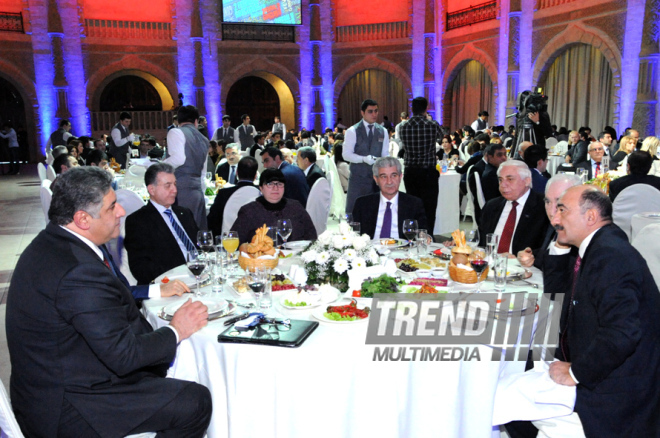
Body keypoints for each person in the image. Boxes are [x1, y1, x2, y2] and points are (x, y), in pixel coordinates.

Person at [6, 166, 212, 437]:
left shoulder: (56, 242)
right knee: (195, 401)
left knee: (172, 372)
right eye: (112, 207)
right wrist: (176, 330)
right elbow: (124, 356)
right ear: (82, 219)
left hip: (58, 375)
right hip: (69, 403)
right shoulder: (77, 272)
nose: (122, 212)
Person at [544, 186, 660, 437]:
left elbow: (622, 333)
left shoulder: (610, 257)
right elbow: (555, 298)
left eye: (562, 210)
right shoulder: (598, 245)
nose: (554, 219)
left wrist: (576, 373)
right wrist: (561, 245)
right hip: (593, 361)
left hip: (620, 392)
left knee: (512, 410)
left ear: (590, 217)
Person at [125, 163, 200, 284]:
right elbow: (140, 268)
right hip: (171, 282)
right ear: (151, 189)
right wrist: (179, 274)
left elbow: (200, 246)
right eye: (167, 186)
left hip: (200, 275)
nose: (174, 190)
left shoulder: (184, 213)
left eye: (175, 184)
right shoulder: (138, 221)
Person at [478, 160, 549, 255]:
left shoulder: (544, 207)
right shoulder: (491, 206)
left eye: (510, 179)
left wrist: (523, 258)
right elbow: (481, 241)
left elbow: (547, 249)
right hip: (490, 263)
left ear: (527, 181)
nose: (503, 185)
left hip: (524, 267)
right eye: (500, 180)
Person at [230, 169, 317, 244]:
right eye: (270, 184)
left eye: (279, 184)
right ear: (261, 188)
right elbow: (234, 242)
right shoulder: (249, 211)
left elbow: (312, 236)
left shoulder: (296, 207)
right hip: (263, 261)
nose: (275, 188)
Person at [516, 173, 581, 270]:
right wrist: (530, 255)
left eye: (559, 203)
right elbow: (548, 253)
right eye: (548, 202)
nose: (551, 211)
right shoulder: (554, 226)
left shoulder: (582, 236)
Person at [352, 157, 427, 239]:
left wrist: (425, 237)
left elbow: (424, 232)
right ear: (376, 179)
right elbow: (353, 235)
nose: (389, 182)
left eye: (394, 175)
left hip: (404, 250)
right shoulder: (363, 204)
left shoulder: (414, 204)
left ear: (400, 177)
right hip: (371, 250)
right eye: (384, 176)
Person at [399, 96, 442, 229]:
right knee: (429, 207)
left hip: (410, 172)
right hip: (428, 172)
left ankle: (412, 234)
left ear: (411, 109)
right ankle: (428, 236)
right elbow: (441, 137)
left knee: (412, 205)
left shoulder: (403, 127)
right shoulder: (433, 125)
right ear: (426, 108)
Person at [164, 105, 209, 229]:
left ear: (178, 121)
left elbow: (179, 159)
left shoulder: (176, 131)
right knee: (197, 232)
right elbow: (203, 172)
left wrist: (159, 166)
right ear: (196, 121)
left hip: (180, 190)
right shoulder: (204, 139)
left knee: (182, 232)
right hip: (198, 191)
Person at [343, 99, 389, 214]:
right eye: (370, 111)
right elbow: (346, 155)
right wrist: (363, 159)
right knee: (355, 212)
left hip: (376, 180)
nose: (374, 114)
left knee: (375, 213)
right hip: (358, 179)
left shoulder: (383, 131)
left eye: (376, 111)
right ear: (362, 113)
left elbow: (384, 154)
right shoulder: (352, 131)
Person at [207, 156, 258, 237]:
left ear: (237, 173)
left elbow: (212, 220)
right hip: (257, 239)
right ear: (255, 176)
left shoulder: (224, 193)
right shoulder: (262, 193)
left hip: (228, 240)